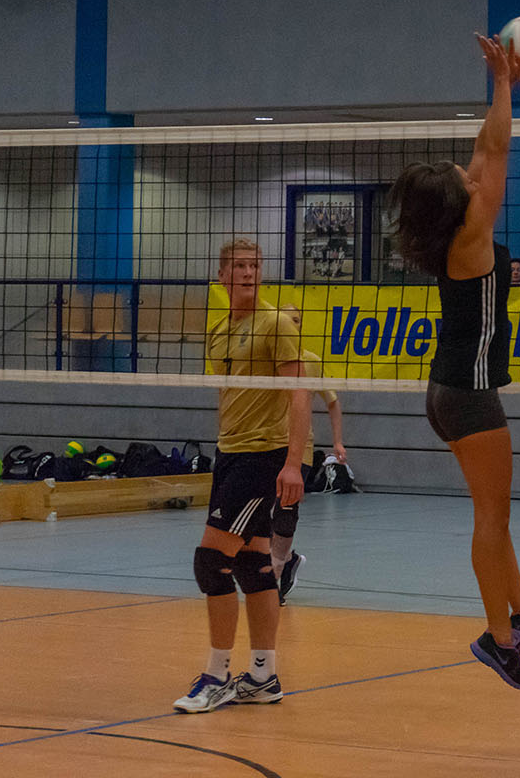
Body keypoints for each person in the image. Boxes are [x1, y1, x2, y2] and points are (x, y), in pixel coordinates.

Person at [388, 34, 520, 691]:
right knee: (492, 519)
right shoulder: (472, 233)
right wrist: (505, 89)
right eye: (463, 180)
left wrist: (501, 87)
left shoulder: (452, 230)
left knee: (496, 513)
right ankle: (498, 637)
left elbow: (485, 151)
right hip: (469, 393)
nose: (471, 174)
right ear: (459, 202)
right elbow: (499, 152)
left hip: (449, 389)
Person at [174, 238, 309, 714]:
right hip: (229, 453)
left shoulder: (277, 324)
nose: (248, 273)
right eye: (239, 266)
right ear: (222, 276)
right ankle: (263, 677)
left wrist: (293, 462)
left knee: (211, 562)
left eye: (254, 265)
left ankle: (216, 675)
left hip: (264, 455)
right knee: (253, 565)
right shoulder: (217, 331)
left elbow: (299, 394)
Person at [271, 303, 349, 605]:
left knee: (285, 510)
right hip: (267, 445)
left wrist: (338, 442)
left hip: (299, 449)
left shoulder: (311, 362)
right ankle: (288, 559)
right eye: (285, 320)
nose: (291, 324)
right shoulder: (266, 357)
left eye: (296, 320)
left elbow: (332, 402)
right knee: (261, 514)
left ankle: (274, 580)